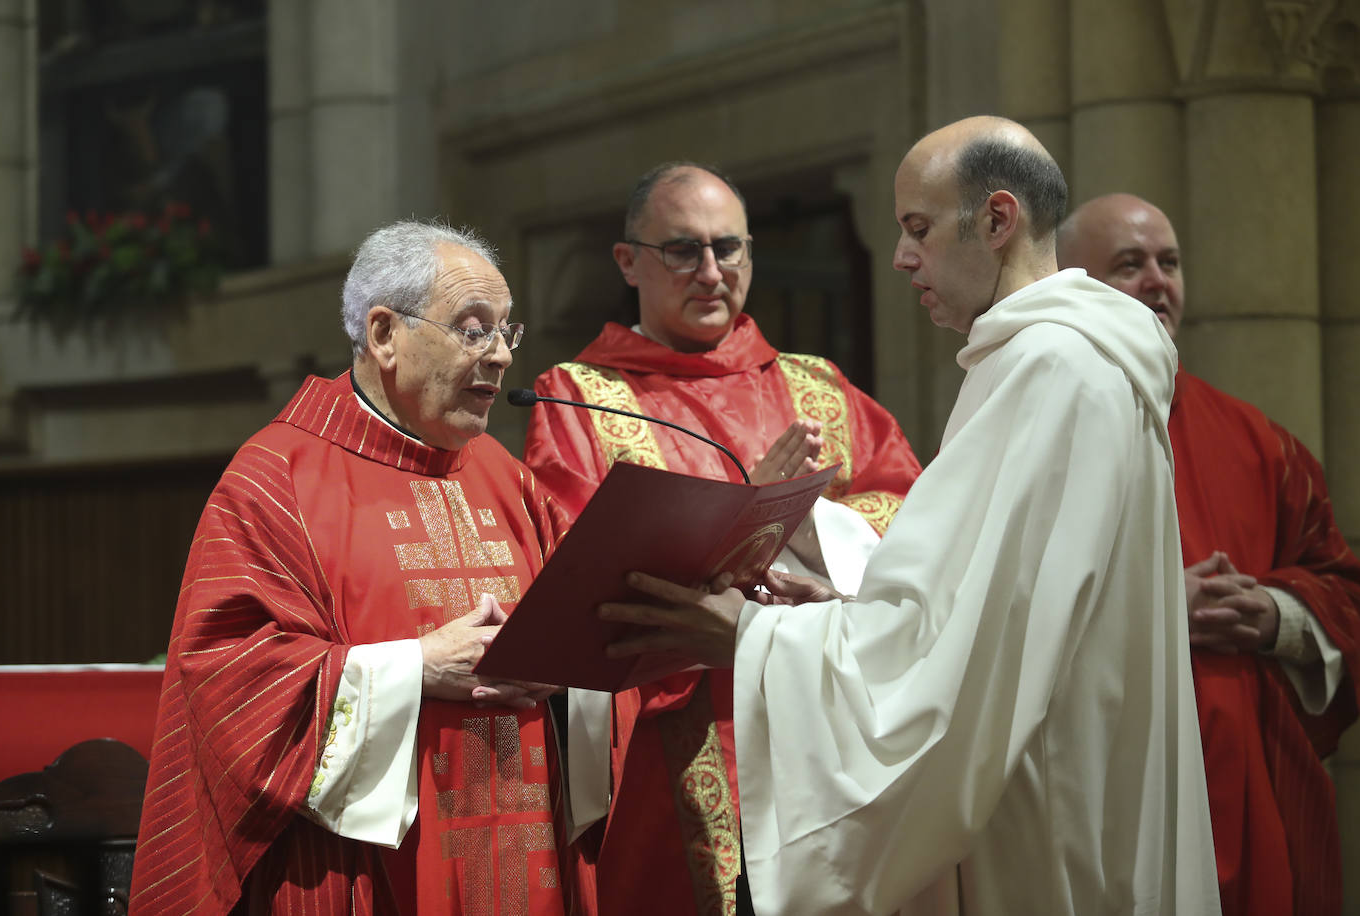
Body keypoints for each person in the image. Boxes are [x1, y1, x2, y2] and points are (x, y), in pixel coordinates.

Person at [599, 117, 1221, 914]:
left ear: (997, 221)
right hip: (1073, 775)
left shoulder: (1052, 370)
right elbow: (984, 610)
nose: (899, 257)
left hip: (1045, 817)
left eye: (919, 230)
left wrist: (751, 636)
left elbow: (957, 666)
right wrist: (845, 609)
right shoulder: (1062, 361)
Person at [129, 221, 588, 915]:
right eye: (472, 330)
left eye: (506, 332)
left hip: (527, 862)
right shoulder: (275, 477)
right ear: (383, 333)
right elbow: (227, 681)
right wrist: (416, 669)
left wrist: (571, 663)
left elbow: (580, 624)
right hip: (363, 875)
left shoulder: (508, 478)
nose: (498, 356)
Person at [522, 162, 923, 914]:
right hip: (676, 733)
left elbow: (914, 521)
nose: (711, 272)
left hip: (820, 726)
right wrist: (755, 509)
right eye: (683, 250)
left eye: (728, 248)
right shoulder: (580, 396)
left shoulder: (818, 387)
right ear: (628, 261)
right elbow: (575, 557)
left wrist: (807, 520)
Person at [1057, 192, 1360, 916]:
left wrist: (1277, 616)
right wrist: (1154, 608)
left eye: (1170, 262)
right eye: (1130, 265)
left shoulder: (1259, 442)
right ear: (1069, 288)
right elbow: (978, 618)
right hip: (1102, 807)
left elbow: (1343, 586)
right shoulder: (1032, 435)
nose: (1159, 282)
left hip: (1257, 795)